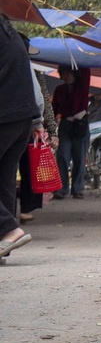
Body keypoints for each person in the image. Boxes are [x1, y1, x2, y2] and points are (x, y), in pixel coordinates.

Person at [0, 15, 38, 260]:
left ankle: (9, 229)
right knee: (3, 180)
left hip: (5, 113)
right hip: (22, 116)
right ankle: (3, 245)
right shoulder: (7, 28)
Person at [18, 62, 59, 223]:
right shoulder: (30, 67)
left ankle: (11, 213)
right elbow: (40, 99)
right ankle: (25, 209)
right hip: (25, 124)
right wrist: (39, 123)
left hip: (13, 123)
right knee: (27, 166)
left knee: (12, 168)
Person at [51, 65, 92, 199]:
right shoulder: (60, 90)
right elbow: (54, 109)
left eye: (68, 73)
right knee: (63, 155)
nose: (66, 76)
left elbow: (86, 71)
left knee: (79, 158)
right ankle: (62, 189)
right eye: (63, 73)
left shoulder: (82, 86)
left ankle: (77, 189)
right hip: (66, 125)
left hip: (80, 125)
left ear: (74, 73)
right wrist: (51, 125)